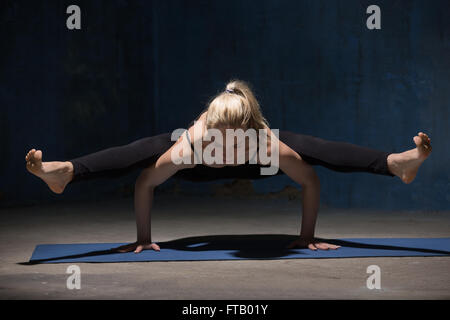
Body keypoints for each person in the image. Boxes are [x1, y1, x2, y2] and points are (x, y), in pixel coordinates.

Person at [25, 80, 432, 253]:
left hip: (258, 165)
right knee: (147, 149)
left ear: (250, 134)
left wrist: (307, 237)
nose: (226, 144)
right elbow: (146, 183)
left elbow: (309, 181)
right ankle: (67, 173)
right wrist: (143, 238)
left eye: (234, 138)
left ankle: (395, 165)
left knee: (312, 147)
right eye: (217, 136)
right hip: (198, 167)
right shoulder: (194, 144)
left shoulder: (266, 144)